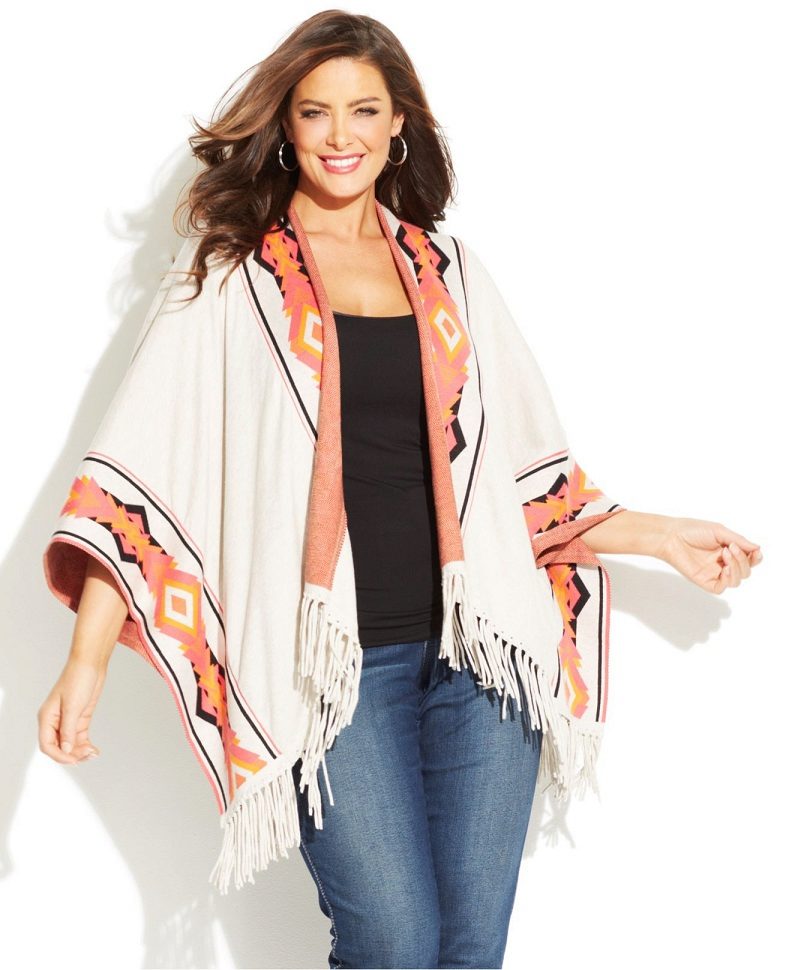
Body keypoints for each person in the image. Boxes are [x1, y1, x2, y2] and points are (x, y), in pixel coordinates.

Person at [38, 11, 762, 970]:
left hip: (479, 657)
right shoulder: (231, 279)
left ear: (398, 125)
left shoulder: (448, 272)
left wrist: (663, 535)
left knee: (468, 948)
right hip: (335, 670)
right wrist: (85, 664)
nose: (340, 135)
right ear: (285, 128)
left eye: (364, 111)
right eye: (315, 112)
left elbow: (517, 479)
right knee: (393, 939)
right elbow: (145, 473)